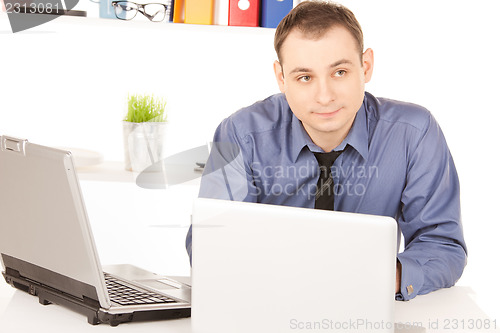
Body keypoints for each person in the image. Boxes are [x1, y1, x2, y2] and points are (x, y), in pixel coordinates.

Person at [185, 1, 467, 301]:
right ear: (282, 78)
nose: (324, 96)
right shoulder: (241, 134)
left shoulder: (414, 133)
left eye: (340, 72)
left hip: (366, 307)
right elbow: (211, 246)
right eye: (305, 77)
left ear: (366, 66)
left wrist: (378, 278)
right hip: (269, 304)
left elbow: (442, 246)